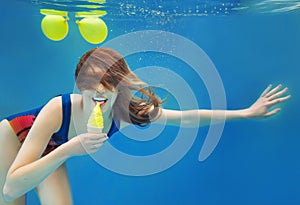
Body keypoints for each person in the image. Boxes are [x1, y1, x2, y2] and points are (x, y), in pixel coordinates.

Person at [0, 47, 290, 205]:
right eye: (90, 85)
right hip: (13, 137)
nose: (99, 91)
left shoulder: (124, 114)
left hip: (51, 147)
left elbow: (188, 116)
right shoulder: (59, 108)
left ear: (119, 84)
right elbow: (12, 187)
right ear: (79, 87)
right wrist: (69, 150)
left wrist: (246, 113)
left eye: (108, 83)